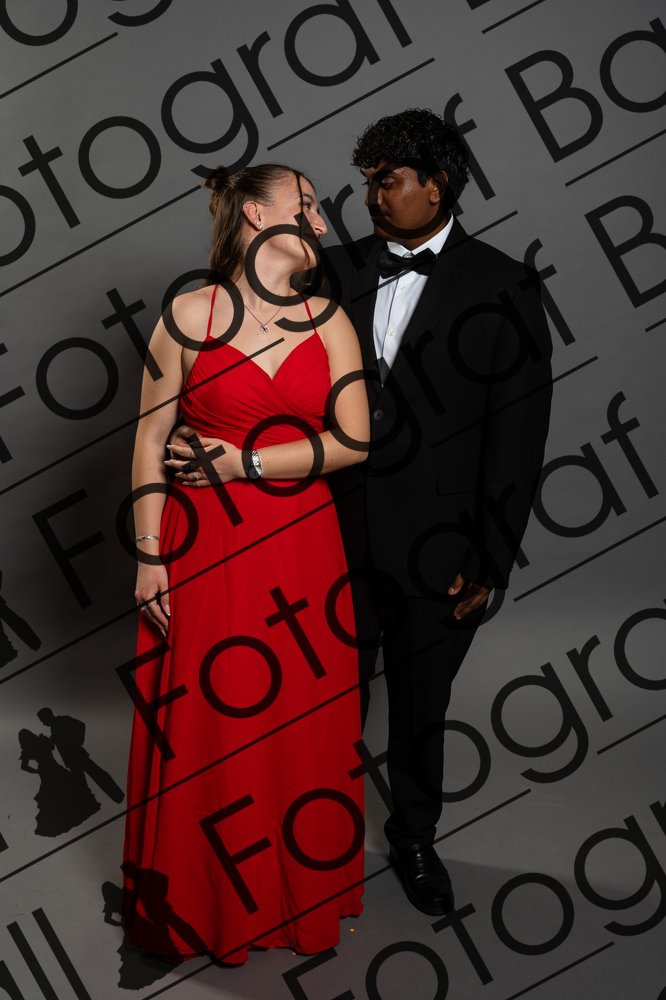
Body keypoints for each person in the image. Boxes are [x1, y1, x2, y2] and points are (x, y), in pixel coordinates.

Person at [172, 111, 553, 920]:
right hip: (319, 535)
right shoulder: (329, 268)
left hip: (439, 547)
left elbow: (519, 438)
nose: (372, 197)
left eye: (389, 181)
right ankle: (301, 852)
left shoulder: (506, 286)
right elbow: (249, 349)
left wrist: (489, 559)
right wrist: (197, 417)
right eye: (368, 181)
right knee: (315, 705)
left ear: (436, 186)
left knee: (420, 707)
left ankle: (414, 839)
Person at [122, 163, 369, 965]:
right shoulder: (186, 314)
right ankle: (204, 902)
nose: (323, 223)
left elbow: (354, 440)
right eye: (309, 206)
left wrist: (245, 465)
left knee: (299, 715)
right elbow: (149, 441)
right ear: (258, 215)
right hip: (204, 549)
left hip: (301, 545)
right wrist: (149, 557)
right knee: (212, 717)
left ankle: (295, 896)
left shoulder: (328, 319)